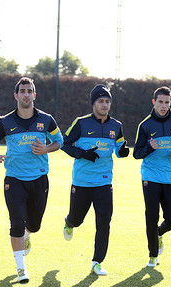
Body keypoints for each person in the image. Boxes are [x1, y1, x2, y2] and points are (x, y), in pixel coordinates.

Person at [0, 77, 63, 284]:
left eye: (30, 91)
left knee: (34, 225)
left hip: (39, 178)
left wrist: (46, 148)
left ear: (34, 95)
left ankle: (28, 235)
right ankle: (21, 269)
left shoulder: (46, 120)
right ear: (16, 95)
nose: (26, 94)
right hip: (14, 180)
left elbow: (59, 141)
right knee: (16, 222)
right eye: (22, 91)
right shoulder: (5, 121)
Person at [61, 84, 130, 276]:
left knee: (104, 222)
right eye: (101, 101)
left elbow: (119, 147)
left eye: (107, 101)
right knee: (77, 219)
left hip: (104, 183)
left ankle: (97, 262)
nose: (105, 104)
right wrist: (82, 154)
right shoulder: (81, 123)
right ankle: (69, 222)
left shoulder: (116, 126)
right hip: (82, 182)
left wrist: (123, 152)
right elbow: (64, 144)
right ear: (94, 104)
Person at [133, 86, 171, 267]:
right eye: (160, 102)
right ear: (154, 102)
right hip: (150, 176)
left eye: (166, 102)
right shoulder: (145, 125)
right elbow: (137, 153)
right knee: (151, 216)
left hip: (170, 177)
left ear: (170, 102)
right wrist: (150, 147)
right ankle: (153, 255)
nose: (163, 106)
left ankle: (158, 233)